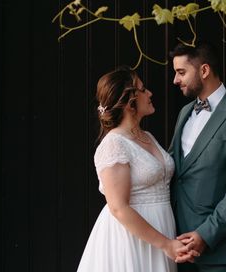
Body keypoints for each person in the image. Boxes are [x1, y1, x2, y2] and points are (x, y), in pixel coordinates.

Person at [77, 66, 197, 272]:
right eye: (142, 89)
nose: (149, 93)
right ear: (127, 101)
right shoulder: (114, 144)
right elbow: (118, 207)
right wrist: (166, 244)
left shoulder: (147, 136)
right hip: (131, 238)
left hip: (161, 227)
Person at [169, 41, 226, 272]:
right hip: (176, 247)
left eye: (181, 72)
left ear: (204, 70)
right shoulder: (184, 112)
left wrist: (205, 235)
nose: (175, 80)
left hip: (220, 251)